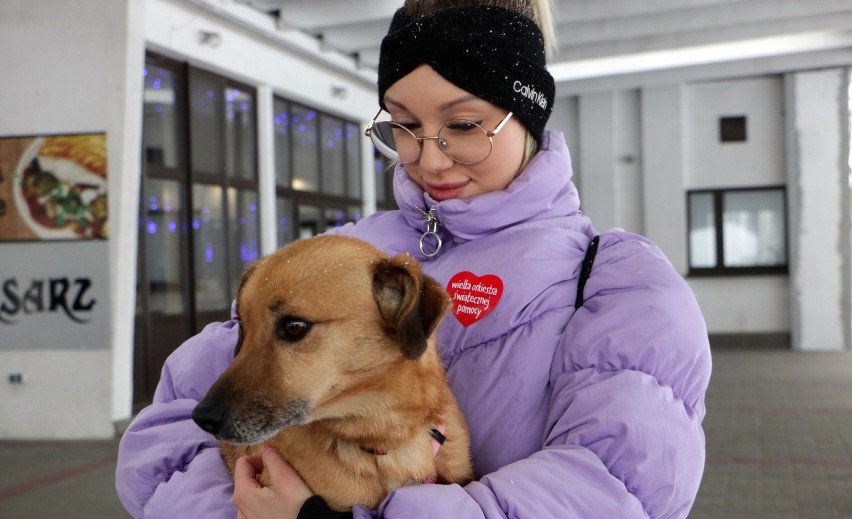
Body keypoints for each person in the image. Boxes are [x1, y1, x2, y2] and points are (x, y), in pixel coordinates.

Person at [116, 0, 712, 517]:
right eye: (403, 126)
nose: (429, 159)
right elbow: (167, 437)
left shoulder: (616, 283)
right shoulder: (338, 260)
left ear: (527, 115)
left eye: (464, 124)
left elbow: (614, 489)